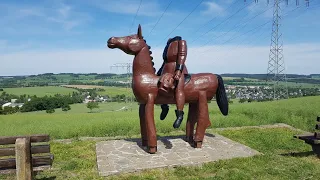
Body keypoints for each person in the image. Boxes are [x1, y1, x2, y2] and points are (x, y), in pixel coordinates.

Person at [156, 36, 188, 128]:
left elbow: (182, 56)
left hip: (176, 68)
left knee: (179, 88)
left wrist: (179, 70)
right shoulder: (168, 46)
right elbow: (165, 60)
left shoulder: (181, 42)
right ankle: (164, 107)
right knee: (160, 86)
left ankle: (180, 114)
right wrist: (160, 71)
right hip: (166, 69)